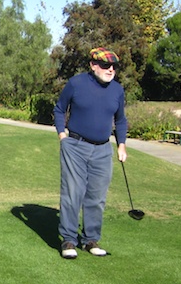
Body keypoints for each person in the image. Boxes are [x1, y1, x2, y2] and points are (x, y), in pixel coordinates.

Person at [53, 47, 128, 259]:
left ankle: (90, 240)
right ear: (93, 65)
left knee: (96, 197)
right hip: (75, 146)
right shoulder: (76, 83)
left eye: (114, 66)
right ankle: (68, 240)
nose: (110, 69)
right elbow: (60, 109)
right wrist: (62, 135)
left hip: (103, 149)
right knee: (73, 193)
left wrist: (121, 144)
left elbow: (121, 120)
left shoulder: (117, 90)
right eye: (105, 65)